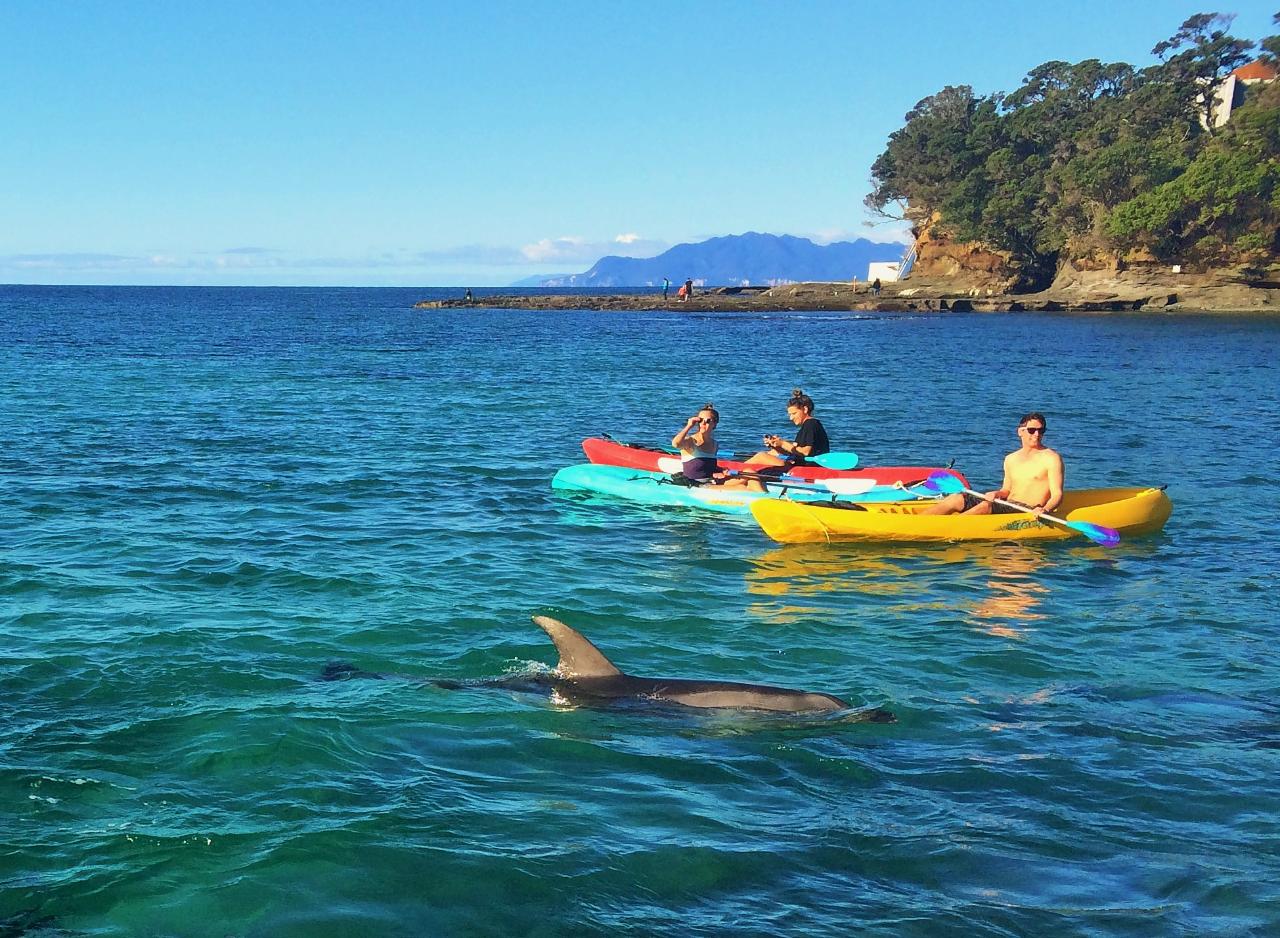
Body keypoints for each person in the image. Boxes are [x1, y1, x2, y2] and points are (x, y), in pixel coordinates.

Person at [922, 412, 1063, 516]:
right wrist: (997, 493)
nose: (1037, 434)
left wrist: (1045, 509)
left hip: (1028, 509)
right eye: (1032, 430)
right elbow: (1006, 490)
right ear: (1020, 432)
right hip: (1006, 504)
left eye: (1041, 430)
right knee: (957, 498)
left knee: (985, 506)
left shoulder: (1051, 458)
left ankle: (945, 528)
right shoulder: (1011, 459)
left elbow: (1057, 494)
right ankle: (920, 522)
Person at [670, 404, 720, 483]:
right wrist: (689, 425)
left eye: (708, 421)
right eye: (700, 420)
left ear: (715, 424)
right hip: (693, 484)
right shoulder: (690, 441)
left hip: (710, 483)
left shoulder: (715, 444)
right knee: (740, 486)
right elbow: (675, 444)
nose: (703, 423)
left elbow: (706, 465)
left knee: (743, 480)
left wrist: (720, 470)